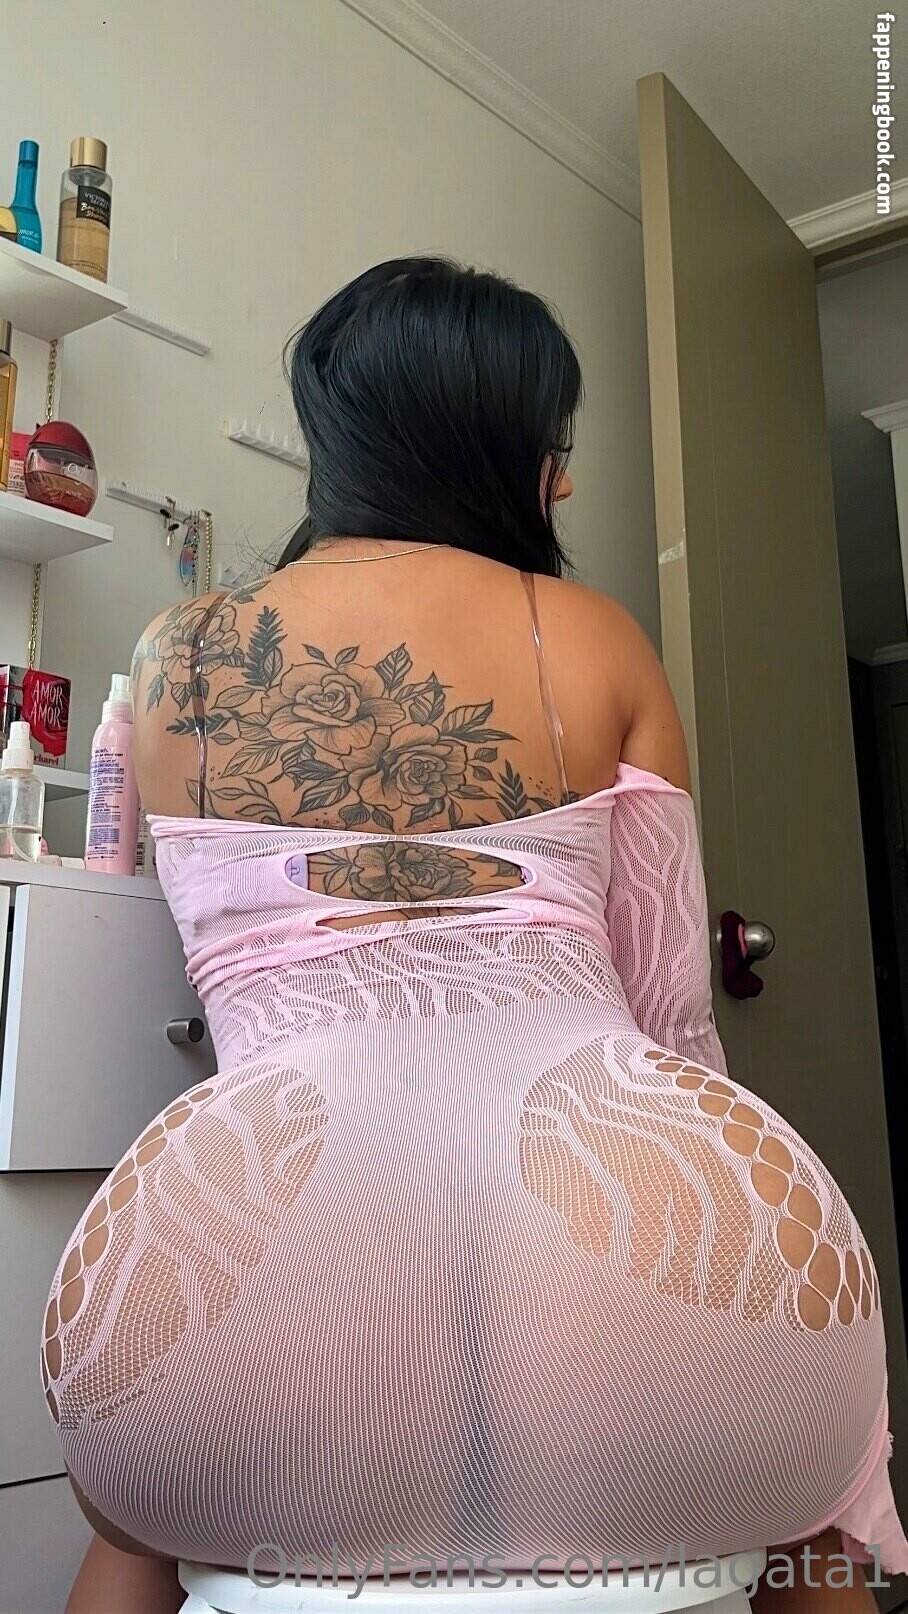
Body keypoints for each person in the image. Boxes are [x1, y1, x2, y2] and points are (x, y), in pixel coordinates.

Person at [47, 258, 907, 1614]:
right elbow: (669, 1018)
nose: (562, 483)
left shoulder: (176, 659)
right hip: (615, 1268)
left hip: (286, 1309)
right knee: (815, 1511)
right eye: (555, 447)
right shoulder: (598, 637)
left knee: (133, 1520)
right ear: (497, 445)